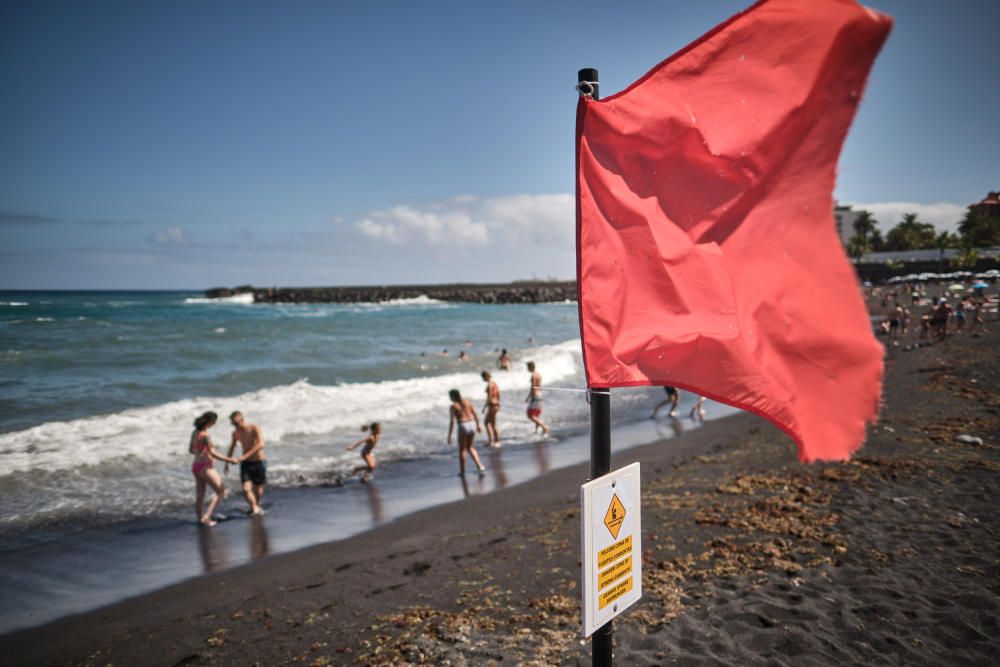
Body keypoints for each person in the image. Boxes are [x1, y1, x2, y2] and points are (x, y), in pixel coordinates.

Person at [190, 411, 237, 527]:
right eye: (214, 422)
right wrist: (229, 460)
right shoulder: (206, 436)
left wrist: (202, 452)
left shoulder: (195, 433)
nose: (214, 424)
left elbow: (191, 450)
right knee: (221, 491)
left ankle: (200, 519)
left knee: (200, 495)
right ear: (210, 422)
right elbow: (214, 453)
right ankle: (206, 517)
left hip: (196, 466)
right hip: (205, 467)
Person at [226, 411, 267, 516]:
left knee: (257, 489)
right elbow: (232, 447)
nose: (235, 426)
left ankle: (256, 505)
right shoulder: (235, 433)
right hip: (246, 463)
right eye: (232, 424)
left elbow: (261, 444)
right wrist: (227, 462)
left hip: (259, 461)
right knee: (245, 488)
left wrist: (244, 456)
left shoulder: (254, 428)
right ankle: (254, 508)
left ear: (242, 420)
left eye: (236, 423)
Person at [448, 389, 485, 476]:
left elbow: (452, 422)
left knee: (462, 450)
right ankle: (479, 465)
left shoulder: (453, 406)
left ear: (453, 396)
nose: (449, 398)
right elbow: (475, 414)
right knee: (470, 447)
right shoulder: (468, 402)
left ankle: (462, 471)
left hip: (463, 425)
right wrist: (478, 425)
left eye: (450, 396)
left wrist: (449, 435)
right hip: (472, 424)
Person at [525, 361, 549, 435]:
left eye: (527, 367)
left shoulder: (533, 375)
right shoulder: (538, 374)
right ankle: (536, 431)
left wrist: (529, 397)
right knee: (536, 414)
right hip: (540, 394)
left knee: (530, 415)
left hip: (535, 395)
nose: (527, 369)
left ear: (530, 367)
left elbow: (533, 387)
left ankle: (544, 427)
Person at [481, 371, 501, 447]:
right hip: (495, 404)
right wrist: (498, 403)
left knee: (488, 423)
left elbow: (489, 397)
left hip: (492, 405)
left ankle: (493, 441)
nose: (483, 380)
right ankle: (494, 440)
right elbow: (499, 393)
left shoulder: (489, 384)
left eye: (483, 378)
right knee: (491, 423)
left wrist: (484, 407)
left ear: (486, 376)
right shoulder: (494, 383)